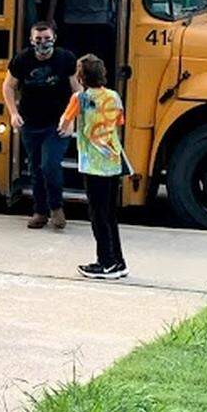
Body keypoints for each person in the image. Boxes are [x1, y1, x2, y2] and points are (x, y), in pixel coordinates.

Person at [3, 21, 80, 230]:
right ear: (31, 40)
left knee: (50, 165)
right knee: (36, 168)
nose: (43, 43)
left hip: (57, 124)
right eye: (38, 40)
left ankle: (56, 208)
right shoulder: (22, 60)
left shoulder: (65, 59)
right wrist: (13, 113)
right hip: (30, 122)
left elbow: (77, 91)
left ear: (54, 38)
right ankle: (39, 212)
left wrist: (71, 119)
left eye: (47, 39)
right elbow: (8, 86)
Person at [59, 54, 129, 280]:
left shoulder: (80, 98)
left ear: (81, 77)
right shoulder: (114, 96)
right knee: (109, 215)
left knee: (97, 215)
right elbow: (119, 122)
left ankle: (105, 262)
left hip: (93, 164)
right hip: (113, 160)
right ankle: (118, 261)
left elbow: (64, 123)